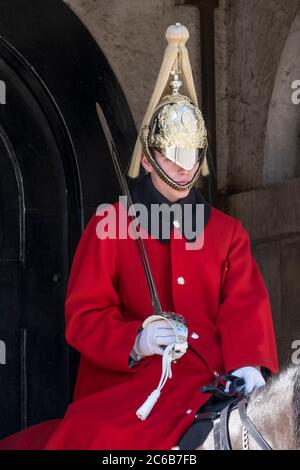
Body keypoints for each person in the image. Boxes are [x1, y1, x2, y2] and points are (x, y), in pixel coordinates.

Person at [0, 23, 278, 451]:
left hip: (210, 381)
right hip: (130, 387)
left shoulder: (226, 233)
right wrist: (137, 340)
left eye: (192, 156)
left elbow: (244, 306)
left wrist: (248, 366)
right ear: (150, 158)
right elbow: (85, 317)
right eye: (175, 156)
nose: (185, 167)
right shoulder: (109, 227)